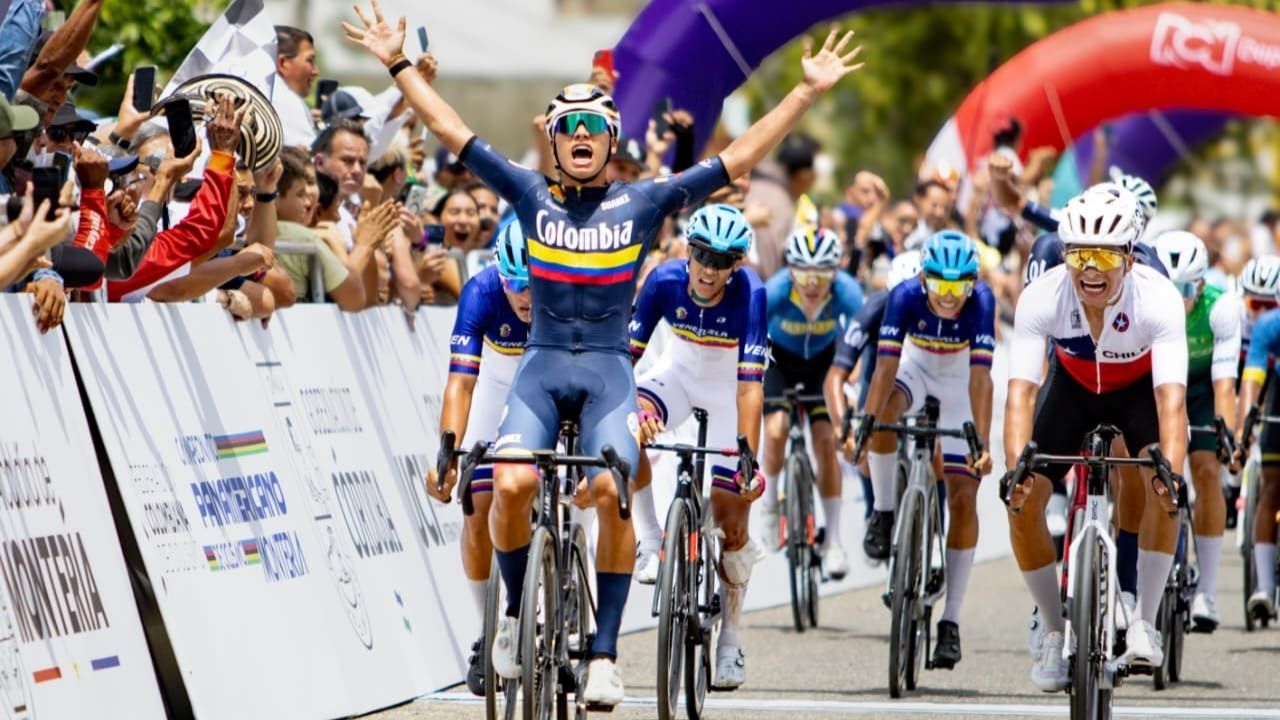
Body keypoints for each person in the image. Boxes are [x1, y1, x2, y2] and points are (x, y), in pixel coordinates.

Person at [343, 2, 864, 704]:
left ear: (611, 140)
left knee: (618, 489)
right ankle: (515, 612)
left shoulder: (641, 204)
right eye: (569, 129)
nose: (582, 136)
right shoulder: (529, 195)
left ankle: (604, 652)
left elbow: (738, 158)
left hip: (610, 374)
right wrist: (397, 63)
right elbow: (449, 129)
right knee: (511, 487)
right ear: (554, 143)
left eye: (594, 128)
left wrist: (804, 90)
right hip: (541, 369)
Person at [1004, 188, 1186, 691]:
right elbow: (1020, 392)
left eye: (1104, 257)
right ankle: (1052, 628)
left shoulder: (1158, 298)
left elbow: (1171, 401)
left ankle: (1144, 621)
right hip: (1072, 389)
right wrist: (1016, 468)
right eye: (1079, 255)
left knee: (1164, 491)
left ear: (1129, 257)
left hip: (1137, 394)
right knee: (1021, 502)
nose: (1090, 269)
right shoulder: (1043, 295)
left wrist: (1170, 471)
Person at [627, 204, 767, 689]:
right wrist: (636, 412)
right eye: (703, 255)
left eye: (722, 261)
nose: (709, 269)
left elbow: (750, 388)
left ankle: (731, 638)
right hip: (678, 379)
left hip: (729, 394)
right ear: (688, 251)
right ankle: (650, 539)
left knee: (733, 523)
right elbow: (626, 362)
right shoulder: (663, 281)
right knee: (624, 429)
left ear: (737, 264)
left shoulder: (752, 293)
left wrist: (747, 458)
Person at [852, 230, 995, 670]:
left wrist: (981, 442)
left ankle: (950, 621)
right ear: (922, 278)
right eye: (939, 284)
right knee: (884, 413)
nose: (949, 296)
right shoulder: (903, 296)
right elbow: (884, 369)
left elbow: (981, 380)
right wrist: (867, 423)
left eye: (958, 286)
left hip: (959, 384)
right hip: (914, 371)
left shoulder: (983, 301)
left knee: (964, 497)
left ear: (973, 282)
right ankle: (884, 512)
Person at [426, 219, 531, 697]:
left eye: (533, 284)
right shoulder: (481, 292)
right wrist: (448, 451)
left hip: (548, 387)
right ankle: (487, 629)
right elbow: (461, 383)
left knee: (573, 487)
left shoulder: (564, 288)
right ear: (499, 274)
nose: (525, 296)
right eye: (515, 284)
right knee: (477, 508)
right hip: (495, 388)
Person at [758, 226, 863, 579]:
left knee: (826, 441)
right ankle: (770, 506)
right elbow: (749, 334)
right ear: (791, 271)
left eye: (821, 275)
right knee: (776, 430)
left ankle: (833, 540)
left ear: (835, 271)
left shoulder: (847, 291)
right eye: (804, 274)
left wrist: (852, 378)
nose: (813, 284)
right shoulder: (775, 291)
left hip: (823, 364)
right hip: (779, 362)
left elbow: (864, 340)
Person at [1151, 230, 1239, 632]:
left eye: (1186, 290)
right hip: (1156, 386)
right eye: (1169, 289)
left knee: (1206, 470)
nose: (1177, 299)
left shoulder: (1221, 307)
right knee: (1147, 475)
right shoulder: (1145, 304)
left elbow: (1225, 384)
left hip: (1202, 388)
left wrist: (1227, 435)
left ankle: (1207, 590)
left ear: (1201, 285)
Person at [825, 251, 921, 519]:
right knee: (865, 441)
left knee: (935, 446)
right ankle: (874, 512)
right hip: (879, 369)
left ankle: (937, 523)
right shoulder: (874, 309)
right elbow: (836, 375)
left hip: (920, 370)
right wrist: (842, 427)